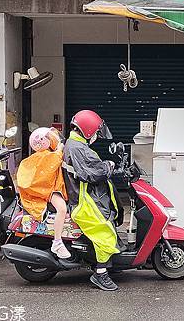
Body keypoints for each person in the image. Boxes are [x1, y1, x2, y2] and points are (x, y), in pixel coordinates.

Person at [62, 110, 120, 291]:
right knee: (106, 234)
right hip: (84, 201)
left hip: (84, 195)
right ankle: (100, 273)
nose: (96, 136)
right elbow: (94, 173)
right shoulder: (79, 149)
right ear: (87, 131)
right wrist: (109, 165)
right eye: (95, 132)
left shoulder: (74, 144)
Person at [16, 127, 70, 259]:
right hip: (48, 191)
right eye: (48, 137)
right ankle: (57, 242)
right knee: (62, 209)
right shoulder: (44, 156)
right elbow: (53, 161)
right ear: (41, 141)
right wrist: (60, 149)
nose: (52, 139)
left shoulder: (44, 154)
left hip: (50, 189)